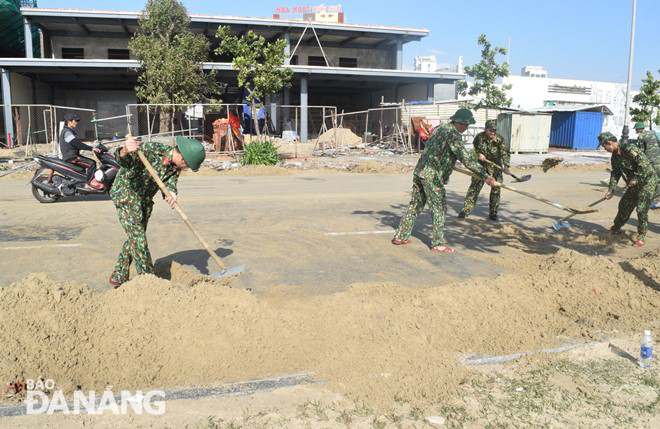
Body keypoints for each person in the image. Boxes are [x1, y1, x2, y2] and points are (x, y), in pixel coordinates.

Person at [392, 108, 498, 253]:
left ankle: (400, 236)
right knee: (439, 208)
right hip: (432, 175)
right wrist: (486, 175)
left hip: (420, 171)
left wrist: (447, 162)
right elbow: (466, 159)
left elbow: (438, 149)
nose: (466, 128)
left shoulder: (440, 128)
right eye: (466, 125)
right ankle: (437, 243)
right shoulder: (453, 134)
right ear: (459, 123)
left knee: (415, 204)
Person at [108, 136, 206, 288]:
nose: (186, 168)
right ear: (183, 159)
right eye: (187, 165)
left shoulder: (175, 167)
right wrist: (125, 150)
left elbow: (170, 182)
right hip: (127, 194)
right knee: (138, 238)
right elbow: (126, 163)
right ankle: (148, 282)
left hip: (144, 199)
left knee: (135, 236)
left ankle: (119, 274)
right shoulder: (151, 150)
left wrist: (171, 193)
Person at [599, 132, 658, 248]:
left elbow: (644, 164)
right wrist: (611, 189)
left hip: (647, 182)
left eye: (603, 146)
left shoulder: (629, 148)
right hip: (634, 184)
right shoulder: (615, 156)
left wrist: (635, 178)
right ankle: (616, 227)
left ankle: (641, 237)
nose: (603, 148)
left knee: (641, 209)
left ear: (609, 143)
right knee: (624, 205)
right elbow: (616, 173)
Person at [458, 119, 511, 221]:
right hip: (481, 165)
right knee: (474, 188)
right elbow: (475, 148)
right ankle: (466, 210)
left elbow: (505, 153)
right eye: (490, 130)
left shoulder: (500, 139)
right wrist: (478, 154)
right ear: (485, 129)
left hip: (495, 166)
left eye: (495, 130)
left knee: (496, 189)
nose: (493, 133)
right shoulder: (479, 137)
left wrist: (506, 166)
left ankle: (493, 213)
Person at [59, 113, 104, 190]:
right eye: (75, 121)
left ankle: (80, 183)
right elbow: (77, 143)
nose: (76, 122)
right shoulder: (67, 132)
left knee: (85, 167)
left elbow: (77, 143)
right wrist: (91, 148)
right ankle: (89, 184)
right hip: (71, 158)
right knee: (91, 164)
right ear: (69, 122)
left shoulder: (68, 131)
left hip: (73, 156)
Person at [633, 121, 660, 209]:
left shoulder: (641, 136)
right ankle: (657, 200)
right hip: (658, 158)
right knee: (658, 180)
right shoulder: (652, 134)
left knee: (652, 180)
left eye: (636, 129)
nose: (636, 130)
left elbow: (641, 151)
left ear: (638, 129)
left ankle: (653, 200)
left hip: (651, 161)